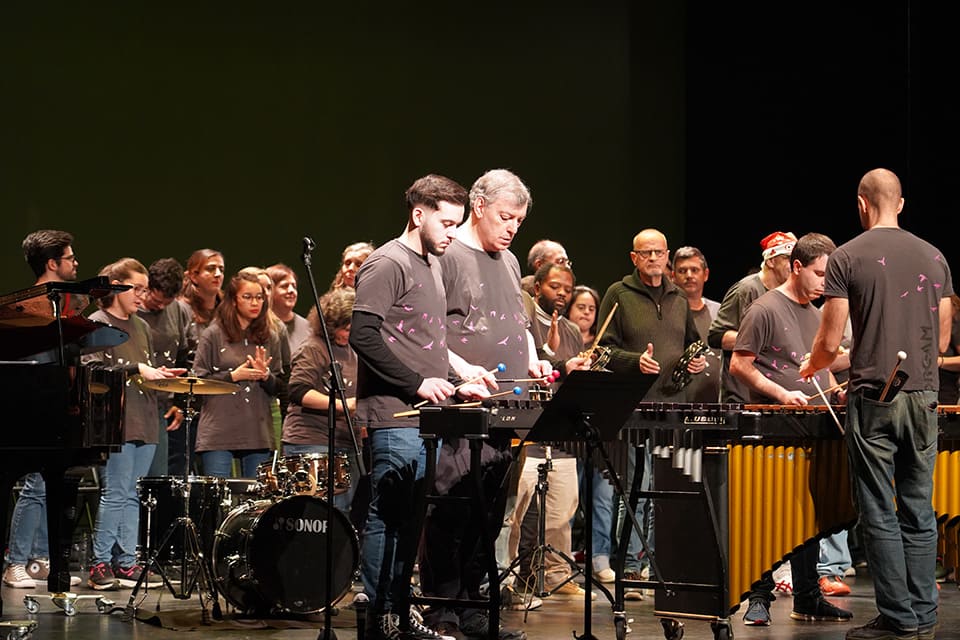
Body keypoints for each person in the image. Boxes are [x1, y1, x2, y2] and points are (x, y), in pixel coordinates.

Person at [801, 168, 953, 640]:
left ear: (862, 204)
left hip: (875, 397)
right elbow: (943, 339)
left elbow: (828, 339)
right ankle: (924, 613)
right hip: (926, 394)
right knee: (918, 506)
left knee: (878, 510)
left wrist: (813, 366)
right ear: (901, 204)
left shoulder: (847, 257)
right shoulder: (935, 256)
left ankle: (898, 618)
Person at [421, 168, 553, 640]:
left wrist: (535, 360)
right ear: (478, 207)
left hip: (507, 407)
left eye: (518, 219)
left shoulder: (513, 261)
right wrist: (460, 374)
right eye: (505, 216)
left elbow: (519, 326)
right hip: (461, 408)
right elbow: (429, 330)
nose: (512, 226)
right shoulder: (448, 255)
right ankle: (443, 608)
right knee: (452, 508)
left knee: (490, 512)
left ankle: (476, 605)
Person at [349, 174, 474, 640]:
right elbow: (364, 336)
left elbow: (426, 339)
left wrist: (463, 375)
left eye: (458, 224)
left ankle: (399, 613)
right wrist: (418, 382)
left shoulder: (434, 263)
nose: (452, 233)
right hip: (392, 414)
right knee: (390, 514)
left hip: (424, 416)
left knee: (412, 519)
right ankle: (380, 616)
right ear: (419, 215)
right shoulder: (387, 263)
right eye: (446, 222)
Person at [729, 232, 853, 624]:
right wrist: (781, 394)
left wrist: (836, 394)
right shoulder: (764, 308)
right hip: (771, 431)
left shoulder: (817, 314)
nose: (824, 283)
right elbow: (740, 364)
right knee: (766, 516)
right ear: (796, 267)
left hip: (810, 429)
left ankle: (807, 597)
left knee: (808, 519)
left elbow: (816, 369)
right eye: (819, 274)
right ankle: (758, 597)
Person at [597, 228, 706, 592]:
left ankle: (661, 562)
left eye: (659, 252)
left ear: (668, 255)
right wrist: (634, 361)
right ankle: (629, 565)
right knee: (635, 488)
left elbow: (693, 344)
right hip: (633, 407)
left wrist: (695, 364)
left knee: (669, 485)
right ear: (634, 258)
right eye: (646, 253)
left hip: (674, 405)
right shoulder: (618, 294)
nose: (654, 259)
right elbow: (602, 350)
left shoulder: (678, 297)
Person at [84, 258, 184, 589]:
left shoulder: (141, 326)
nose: (142, 295)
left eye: (144, 289)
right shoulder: (97, 324)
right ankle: (100, 563)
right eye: (136, 289)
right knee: (115, 491)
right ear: (116, 287)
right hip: (116, 421)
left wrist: (160, 375)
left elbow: (146, 368)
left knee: (132, 493)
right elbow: (91, 372)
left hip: (144, 417)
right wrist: (135, 369)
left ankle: (126, 561)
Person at [505, 263, 591, 603]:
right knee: (517, 514)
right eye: (555, 287)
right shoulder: (523, 321)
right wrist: (559, 366)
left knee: (561, 511)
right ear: (537, 287)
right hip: (528, 430)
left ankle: (555, 573)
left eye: (567, 289)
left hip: (561, 431)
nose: (562, 294)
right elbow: (535, 366)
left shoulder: (570, 328)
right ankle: (511, 579)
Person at [3, 230, 83, 589]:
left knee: (45, 483)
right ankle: (15, 561)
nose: (76, 262)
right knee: (34, 486)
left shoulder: (65, 305)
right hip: (32, 409)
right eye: (70, 257)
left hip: (55, 408)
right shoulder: (30, 308)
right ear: (53, 263)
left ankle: (43, 560)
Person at [193, 271, 284, 478]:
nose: (255, 303)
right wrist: (233, 376)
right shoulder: (213, 334)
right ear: (233, 301)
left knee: (257, 500)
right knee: (217, 498)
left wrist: (266, 376)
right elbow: (198, 381)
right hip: (219, 431)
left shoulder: (270, 336)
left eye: (259, 297)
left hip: (256, 431)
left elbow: (280, 386)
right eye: (248, 297)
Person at [281, 287, 361, 514]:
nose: (350, 333)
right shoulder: (313, 349)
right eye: (346, 328)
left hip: (346, 441)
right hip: (312, 440)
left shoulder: (354, 351)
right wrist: (344, 406)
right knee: (315, 514)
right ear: (331, 325)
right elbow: (298, 391)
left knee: (341, 513)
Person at [708, 231, 797, 402]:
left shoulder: (785, 294)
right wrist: (763, 341)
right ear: (771, 261)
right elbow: (716, 336)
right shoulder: (746, 289)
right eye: (787, 258)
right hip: (742, 397)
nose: (793, 265)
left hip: (770, 395)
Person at [171, 248, 226, 475]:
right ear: (193, 276)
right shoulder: (181, 309)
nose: (218, 274)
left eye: (221, 269)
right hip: (189, 401)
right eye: (210, 269)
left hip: (219, 403)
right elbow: (179, 356)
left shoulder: (226, 310)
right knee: (181, 468)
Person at [138, 258, 190, 477]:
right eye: (155, 300)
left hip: (160, 405)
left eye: (165, 303)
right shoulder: (131, 309)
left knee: (158, 478)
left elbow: (183, 357)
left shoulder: (178, 310)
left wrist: (178, 401)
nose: (159, 307)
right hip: (134, 403)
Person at [672, 246, 722, 403]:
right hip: (676, 401)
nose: (689, 275)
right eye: (682, 271)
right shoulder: (666, 314)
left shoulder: (720, 312)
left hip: (714, 402)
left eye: (694, 270)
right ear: (673, 276)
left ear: (705, 274)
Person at [267, 263, 312, 354]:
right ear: (269, 291)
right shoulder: (260, 325)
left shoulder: (308, 327)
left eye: (294, 286)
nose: (291, 291)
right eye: (284, 286)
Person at [565, 285, 600, 349]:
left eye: (591, 309)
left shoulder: (602, 343)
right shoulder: (557, 337)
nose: (587, 312)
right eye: (581, 307)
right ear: (568, 309)